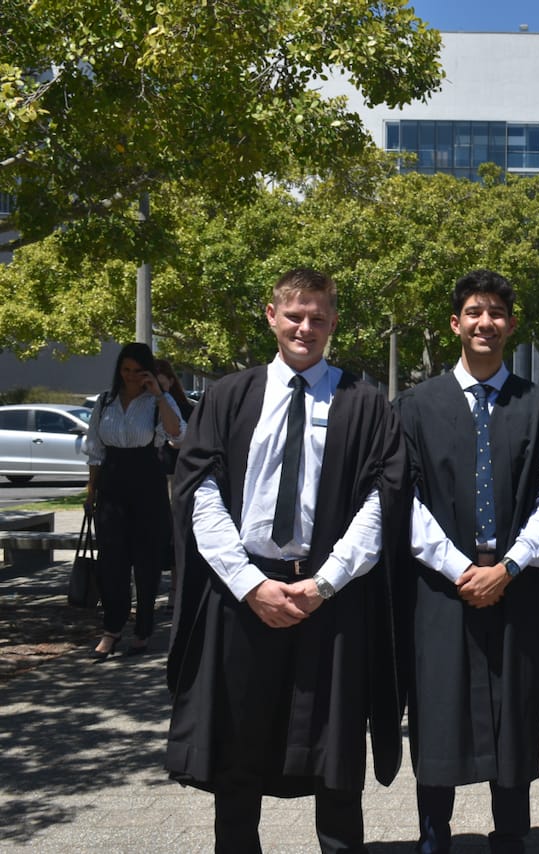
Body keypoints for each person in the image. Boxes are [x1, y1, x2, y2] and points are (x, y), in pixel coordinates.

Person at [165, 268, 406, 854]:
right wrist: (250, 584)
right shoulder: (228, 397)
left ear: (334, 323)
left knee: (336, 756)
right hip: (243, 597)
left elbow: (383, 500)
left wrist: (326, 582)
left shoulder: (365, 403)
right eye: (294, 315)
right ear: (271, 316)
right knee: (236, 753)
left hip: (330, 599)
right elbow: (200, 494)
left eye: (318, 317)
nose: (305, 327)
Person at [394, 270, 539, 854]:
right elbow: (404, 500)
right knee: (437, 710)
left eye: (496, 313)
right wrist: (458, 569)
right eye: (474, 312)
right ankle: (433, 835)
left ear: (512, 325)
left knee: (514, 716)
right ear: (456, 323)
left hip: (516, 587)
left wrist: (510, 567)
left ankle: (512, 837)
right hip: (440, 589)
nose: (485, 322)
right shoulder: (413, 408)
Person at [84, 341, 186, 658]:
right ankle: (112, 629)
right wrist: (91, 492)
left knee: (146, 562)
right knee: (112, 562)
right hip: (112, 484)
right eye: (125, 369)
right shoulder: (106, 401)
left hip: (146, 484)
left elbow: (178, 435)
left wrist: (159, 394)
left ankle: (143, 630)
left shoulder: (158, 401)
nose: (130, 376)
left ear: (148, 371)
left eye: (137, 370)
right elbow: (95, 450)